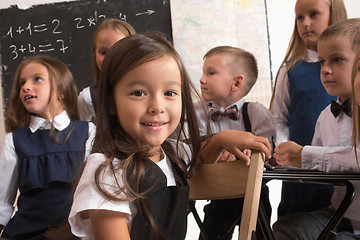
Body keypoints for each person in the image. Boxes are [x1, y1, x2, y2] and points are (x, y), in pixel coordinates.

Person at [68, 33, 272, 240]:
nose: (157, 107)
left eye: (170, 93)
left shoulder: (173, 153)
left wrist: (220, 139)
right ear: (111, 102)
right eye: (138, 93)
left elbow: (198, 159)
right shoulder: (107, 171)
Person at [273, 18, 360, 240]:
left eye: (337, 60)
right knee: (284, 228)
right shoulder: (325, 117)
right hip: (339, 216)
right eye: (322, 62)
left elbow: (355, 160)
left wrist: (304, 154)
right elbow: (317, 169)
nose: (326, 70)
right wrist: (279, 162)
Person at [0, 55, 96, 239]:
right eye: (22, 83)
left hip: (73, 235)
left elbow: (93, 195)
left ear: (61, 90)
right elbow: (2, 203)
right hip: (25, 234)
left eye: (37, 79)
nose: (26, 87)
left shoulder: (87, 132)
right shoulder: (13, 140)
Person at [195, 46, 276, 240]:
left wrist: (246, 152)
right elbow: (195, 152)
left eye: (211, 73)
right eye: (203, 72)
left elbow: (266, 152)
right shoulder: (197, 112)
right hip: (217, 192)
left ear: (236, 82)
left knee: (259, 235)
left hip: (254, 192)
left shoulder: (256, 112)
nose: (202, 79)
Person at [78, 18, 136, 122]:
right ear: (94, 54)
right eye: (103, 52)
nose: (110, 57)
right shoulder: (88, 97)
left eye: (119, 51)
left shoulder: (151, 89)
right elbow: (77, 133)